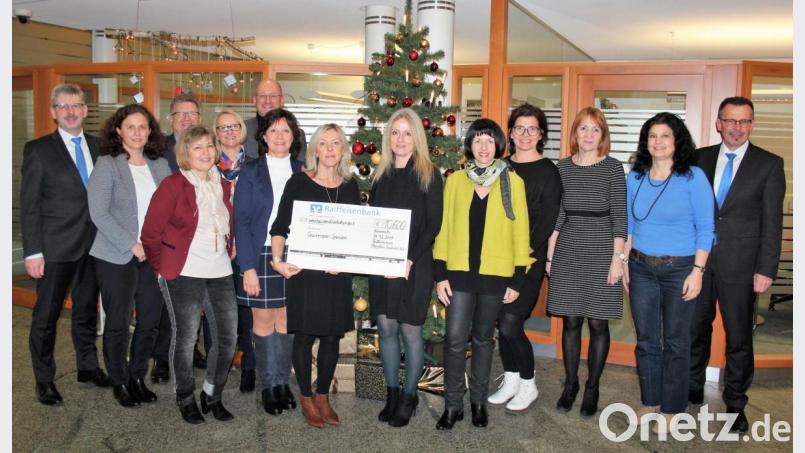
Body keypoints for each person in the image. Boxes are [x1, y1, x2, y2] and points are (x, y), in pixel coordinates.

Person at [689, 96, 786, 433]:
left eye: (744, 121)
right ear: (719, 123)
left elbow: (773, 222)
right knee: (695, 329)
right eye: (731, 120)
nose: (737, 127)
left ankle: (736, 402)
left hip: (743, 267)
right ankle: (692, 387)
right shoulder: (698, 159)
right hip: (698, 263)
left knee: (739, 337)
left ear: (752, 124)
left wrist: (766, 269)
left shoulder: (769, 164)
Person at [434, 118, 533, 430]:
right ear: (470, 145)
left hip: (495, 274)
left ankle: (477, 401)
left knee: (483, 340)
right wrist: (440, 274)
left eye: (489, 140)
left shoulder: (512, 182)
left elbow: (521, 232)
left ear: (498, 145)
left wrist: (517, 278)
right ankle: (452, 405)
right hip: (459, 274)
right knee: (453, 339)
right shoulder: (455, 182)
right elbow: (444, 229)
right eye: (478, 140)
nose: (484, 146)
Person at [21, 83, 111, 406]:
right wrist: (33, 251)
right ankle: (44, 380)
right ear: (53, 112)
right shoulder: (38, 150)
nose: (71, 111)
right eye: (63, 106)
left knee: (86, 311)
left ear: (86, 110)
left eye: (76, 105)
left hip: (94, 246)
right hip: (55, 249)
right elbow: (29, 205)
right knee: (46, 317)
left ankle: (88, 366)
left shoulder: (100, 147)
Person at [141, 125, 237, 425]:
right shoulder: (173, 185)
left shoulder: (221, 184)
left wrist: (229, 245)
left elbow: (224, 221)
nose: (206, 152)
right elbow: (150, 234)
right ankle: (185, 396)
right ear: (186, 152)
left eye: (210, 146)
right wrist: (161, 270)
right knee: (185, 338)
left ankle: (212, 393)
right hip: (183, 272)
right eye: (198, 147)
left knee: (227, 337)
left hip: (220, 270)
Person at [624, 112, 714, 428]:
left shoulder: (693, 178)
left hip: (681, 270)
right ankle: (651, 401)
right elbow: (630, 223)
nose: (658, 142)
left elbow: (706, 227)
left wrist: (698, 271)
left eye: (665, 136)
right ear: (645, 142)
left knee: (676, 340)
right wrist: (623, 261)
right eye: (652, 136)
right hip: (640, 268)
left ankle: (674, 409)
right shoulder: (634, 177)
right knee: (647, 339)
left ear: (677, 141)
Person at [270, 123, 360, 428]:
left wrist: (346, 261)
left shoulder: (350, 186)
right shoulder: (298, 183)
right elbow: (280, 227)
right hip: (304, 273)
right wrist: (277, 261)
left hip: (336, 276)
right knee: (305, 335)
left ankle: (323, 395)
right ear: (315, 149)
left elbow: (355, 234)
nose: (331, 149)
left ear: (343, 149)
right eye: (324, 143)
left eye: (336, 143)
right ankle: (306, 397)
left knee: (332, 335)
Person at [87, 104, 171, 407]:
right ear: (119, 130)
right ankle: (120, 380)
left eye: (143, 127)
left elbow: (170, 209)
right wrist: (131, 244)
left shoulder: (160, 165)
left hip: (153, 257)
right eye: (131, 126)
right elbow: (98, 213)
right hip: (115, 256)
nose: (137, 132)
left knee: (150, 320)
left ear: (150, 132)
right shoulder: (107, 164)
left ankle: (137, 376)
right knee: (118, 322)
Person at [546, 107, 627, 418]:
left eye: (595, 129)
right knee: (571, 321)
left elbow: (621, 217)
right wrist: (551, 256)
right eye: (583, 129)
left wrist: (617, 259)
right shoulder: (562, 167)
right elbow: (559, 214)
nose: (589, 135)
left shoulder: (612, 168)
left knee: (597, 322)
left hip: (603, 249)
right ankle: (571, 384)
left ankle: (592, 386)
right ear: (575, 134)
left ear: (602, 136)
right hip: (569, 247)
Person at [368, 108, 444, 427]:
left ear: (417, 137)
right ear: (389, 137)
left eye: (407, 133)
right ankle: (392, 393)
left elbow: (433, 225)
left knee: (410, 330)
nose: (400, 139)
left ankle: (409, 397)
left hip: (415, 263)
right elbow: (372, 221)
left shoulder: (428, 173)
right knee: (385, 327)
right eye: (395, 133)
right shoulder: (380, 175)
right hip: (382, 265)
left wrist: (408, 258)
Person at [488, 104, 562, 413]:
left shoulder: (549, 171)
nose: (526, 134)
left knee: (510, 322)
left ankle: (528, 383)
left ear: (541, 134)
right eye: (520, 128)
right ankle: (512, 378)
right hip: (496, 258)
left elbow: (546, 223)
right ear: (511, 133)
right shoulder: (499, 167)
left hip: (528, 260)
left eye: (532, 129)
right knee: (500, 320)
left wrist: (521, 256)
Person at [234, 109, 304, 414]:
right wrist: (248, 267)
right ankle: (269, 386)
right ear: (263, 136)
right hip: (260, 254)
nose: (279, 137)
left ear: (294, 137)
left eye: (285, 131)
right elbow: (242, 221)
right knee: (263, 321)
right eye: (273, 131)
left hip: (294, 255)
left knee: (287, 321)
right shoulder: (250, 171)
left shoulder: (303, 171)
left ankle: (282, 383)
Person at [151, 93, 209, 384]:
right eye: (180, 114)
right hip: (170, 241)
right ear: (171, 119)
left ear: (199, 118)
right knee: (168, 307)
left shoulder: (207, 147)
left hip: (200, 241)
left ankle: (192, 351)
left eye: (192, 113)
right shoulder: (157, 150)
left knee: (194, 303)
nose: (187, 118)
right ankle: (162, 359)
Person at [213, 109, 256, 393]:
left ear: (242, 129)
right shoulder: (207, 165)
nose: (228, 131)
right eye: (222, 127)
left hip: (247, 249)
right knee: (219, 313)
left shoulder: (255, 165)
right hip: (215, 250)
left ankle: (249, 367)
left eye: (233, 126)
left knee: (248, 313)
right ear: (215, 133)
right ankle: (219, 368)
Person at [244, 79, 306, 163]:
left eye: (273, 96)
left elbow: (300, 170)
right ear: (254, 100)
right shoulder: (242, 130)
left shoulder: (298, 134)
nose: (267, 101)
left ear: (282, 100)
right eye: (262, 95)